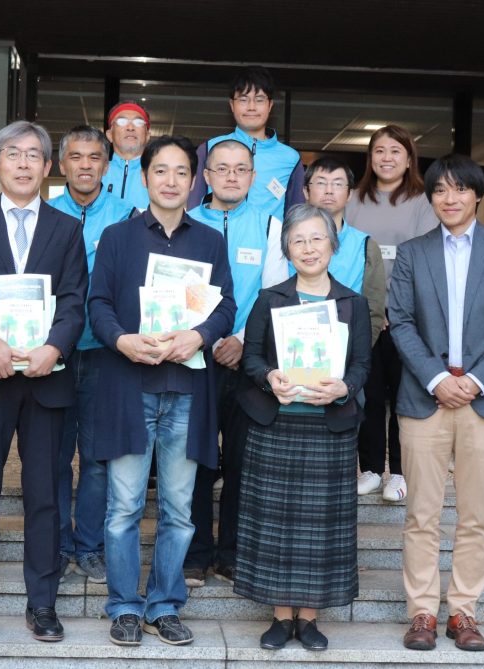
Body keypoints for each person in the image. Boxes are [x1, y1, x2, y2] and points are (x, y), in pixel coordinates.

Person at [0, 121, 88, 644]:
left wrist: (54, 348)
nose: (24, 163)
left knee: (45, 494)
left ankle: (42, 603)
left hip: (45, 376)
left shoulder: (67, 229)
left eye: (34, 155)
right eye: (13, 154)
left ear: (48, 167)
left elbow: (75, 300)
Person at [88, 135, 235, 647]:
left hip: (188, 389)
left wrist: (200, 335)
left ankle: (165, 603)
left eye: (180, 172)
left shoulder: (210, 241)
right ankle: (125, 606)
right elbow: (97, 305)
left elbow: (225, 307)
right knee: (124, 506)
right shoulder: (117, 237)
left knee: (178, 509)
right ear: (144, 177)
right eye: (161, 171)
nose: (171, 181)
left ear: (193, 180)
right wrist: (123, 340)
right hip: (131, 387)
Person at [388, 154, 484, 652]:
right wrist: (434, 377)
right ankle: (423, 612)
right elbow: (399, 321)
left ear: (477, 196)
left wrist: (473, 379)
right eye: (440, 191)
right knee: (421, 515)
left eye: (460, 190)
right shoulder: (411, 253)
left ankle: (463, 611)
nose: (450, 199)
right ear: (431, 198)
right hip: (424, 398)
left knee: (475, 515)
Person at [235, 203, 371, 651]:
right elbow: (251, 357)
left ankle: (309, 618)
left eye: (317, 238)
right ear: (286, 250)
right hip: (276, 426)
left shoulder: (353, 302)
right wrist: (268, 377)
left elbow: (363, 366)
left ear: (333, 245)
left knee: (321, 529)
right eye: (298, 240)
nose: (309, 248)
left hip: (327, 429)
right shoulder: (270, 298)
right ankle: (279, 617)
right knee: (274, 524)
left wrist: (343, 388)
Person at [183, 139, 286, 588]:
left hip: (248, 361)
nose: (230, 176)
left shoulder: (270, 225)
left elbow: (276, 296)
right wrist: (205, 338)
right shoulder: (186, 224)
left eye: (240, 170)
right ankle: (196, 552)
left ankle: (232, 553)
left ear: (252, 177)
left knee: (243, 462)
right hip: (193, 359)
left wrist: (243, 341)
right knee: (198, 459)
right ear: (205, 177)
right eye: (221, 169)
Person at [46, 125, 136, 584]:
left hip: (107, 354)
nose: (85, 165)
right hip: (53, 355)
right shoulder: (42, 214)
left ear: (108, 164)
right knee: (55, 455)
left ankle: (91, 545)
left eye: (94, 157)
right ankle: (59, 544)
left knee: (99, 458)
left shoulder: (127, 216)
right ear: (61, 165)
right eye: (76, 157)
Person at [346, 124, 439, 502]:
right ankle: (369, 468)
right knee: (367, 395)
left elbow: (423, 261)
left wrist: (394, 310)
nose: (386, 158)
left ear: (408, 159)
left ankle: (398, 473)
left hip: (405, 319)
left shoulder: (422, 201)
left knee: (403, 397)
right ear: (370, 157)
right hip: (362, 317)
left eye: (395, 151)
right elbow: (347, 258)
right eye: (379, 151)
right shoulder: (353, 199)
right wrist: (369, 311)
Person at [188, 66, 304, 221]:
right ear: (232, 105)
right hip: (216, 241)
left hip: (269, 243)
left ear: (270, 105)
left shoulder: (290, 158)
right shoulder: (209, 149)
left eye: (259, 100)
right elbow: (193, 207)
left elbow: (296, 216)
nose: (251, 107)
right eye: (243, 99)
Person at [301, 156, 386, 348]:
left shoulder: (365, 245)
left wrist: (356, 357)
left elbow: (373, 311)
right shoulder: (288, 240)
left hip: (347, 351)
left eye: (338, 184)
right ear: (306, 190)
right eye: (321, 183)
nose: (329, 190)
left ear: (349, 195)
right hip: (292, 348)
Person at [101, 101, 151, 210]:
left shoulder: (158, 174)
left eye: (138, 122)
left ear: (147, 136)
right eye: (122, 121)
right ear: (109, 135)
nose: (130, 127)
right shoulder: (96, 172)